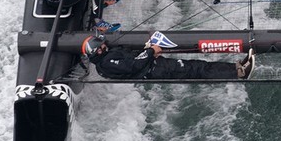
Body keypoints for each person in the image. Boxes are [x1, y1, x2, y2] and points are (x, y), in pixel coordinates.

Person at [82, 34, 255, 80]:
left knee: (198, 65)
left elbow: (130, 59)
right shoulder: (107, 63)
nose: (105, 44)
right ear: (98, 51)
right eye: (101, 45)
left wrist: (149, 50)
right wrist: (150, 52)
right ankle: (239, 73)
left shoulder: (105, 59)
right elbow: (133, 66)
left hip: (155, 66)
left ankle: (236, 68)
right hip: (157, 70)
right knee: (198, 69)